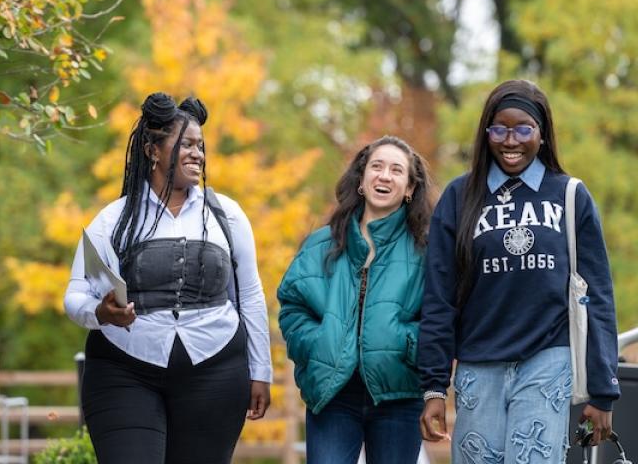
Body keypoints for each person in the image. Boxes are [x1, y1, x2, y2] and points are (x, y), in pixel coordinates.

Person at [64, 92, 272, 464]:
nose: (198, 154)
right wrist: (102, 312)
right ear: (153, 151)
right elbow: (75, 295)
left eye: (201, 147)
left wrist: (261, 371)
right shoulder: (114, 219)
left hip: (216, 373)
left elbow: (250, 297)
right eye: (186, 145)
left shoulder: (228, 216)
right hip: (123, 370)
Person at [418, 79, 620, 461]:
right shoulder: (459, 198)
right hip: (479, 365)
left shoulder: (570, 195)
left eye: (523, 129)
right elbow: (439, 297)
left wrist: (602, 391)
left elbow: (596, 296)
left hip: (547, 360)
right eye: (500, 129)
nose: (511, 141)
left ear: (542, 135)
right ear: (486, 133)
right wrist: (433, 387)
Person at [278, 135, 437, 464]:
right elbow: (293, 306)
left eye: (396, 170)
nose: (384, 176)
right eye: (376, 167)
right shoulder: (320, 244)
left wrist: (406, 345)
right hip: (332, 394)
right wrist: (317, 342)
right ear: (362, 181)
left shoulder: (427, 250)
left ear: (409, 189)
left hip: (398, 394)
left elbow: (439, 317)